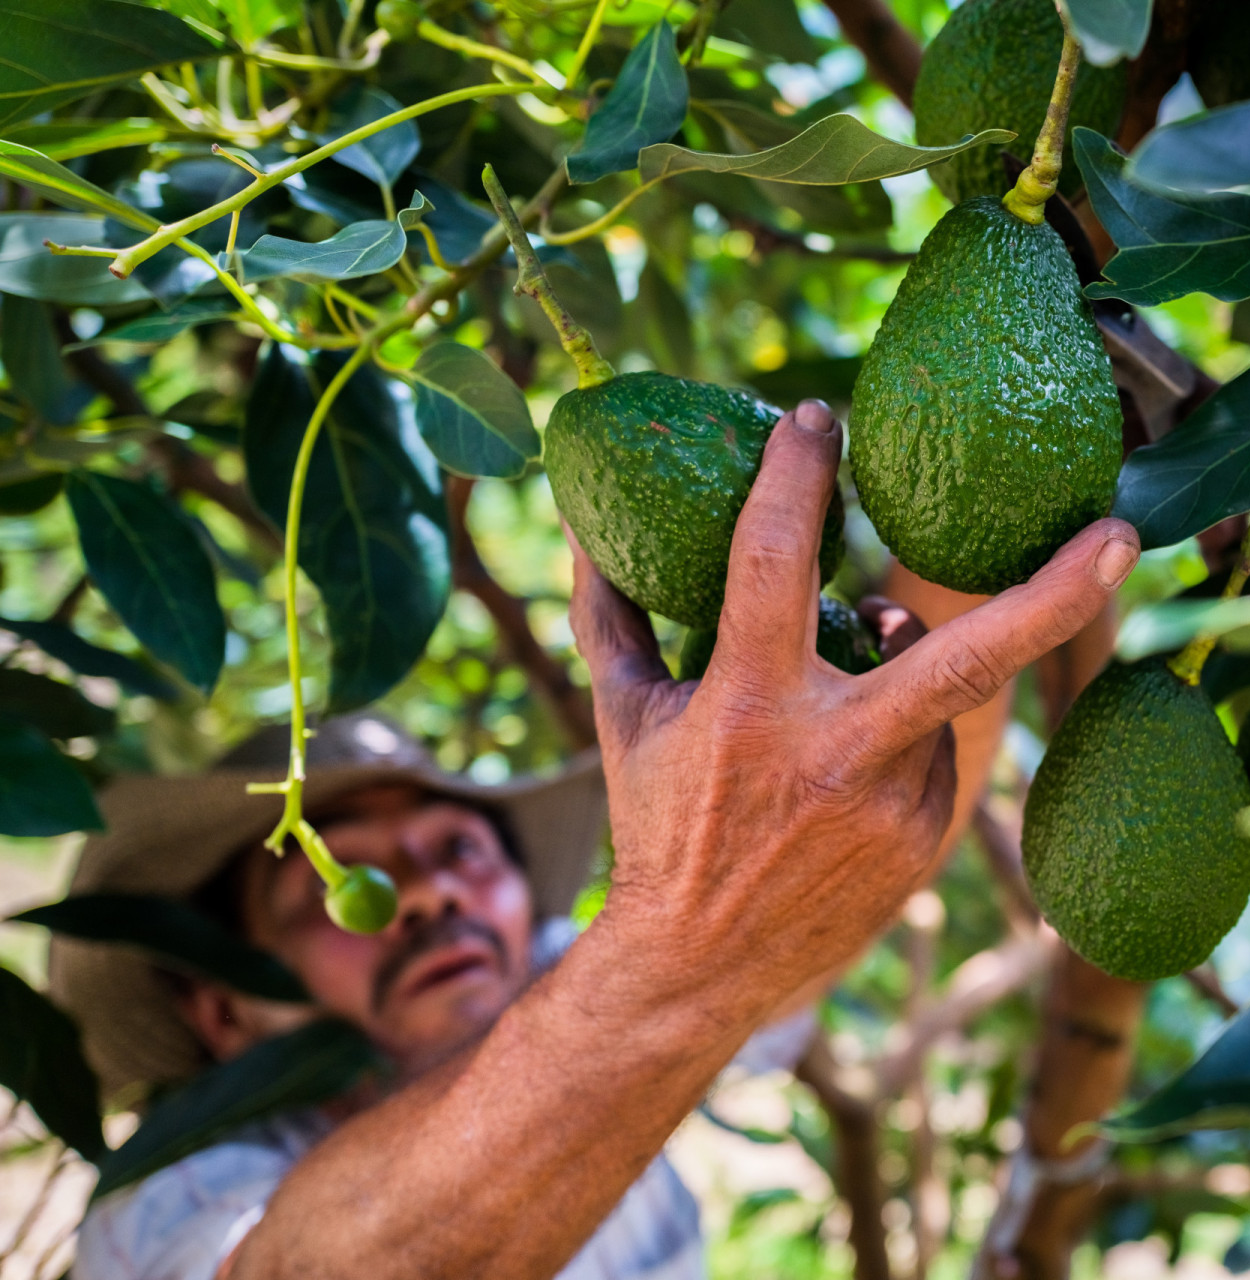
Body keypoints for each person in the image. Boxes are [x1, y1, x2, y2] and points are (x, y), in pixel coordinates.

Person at [50, 401, 1140, 1279]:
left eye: (459, 849)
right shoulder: (164, 1197)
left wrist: (992, 436)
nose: (428, 896)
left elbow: (868, 829)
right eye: (348, 883)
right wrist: (681, 945)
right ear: (219, 1003)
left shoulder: (577, 998)